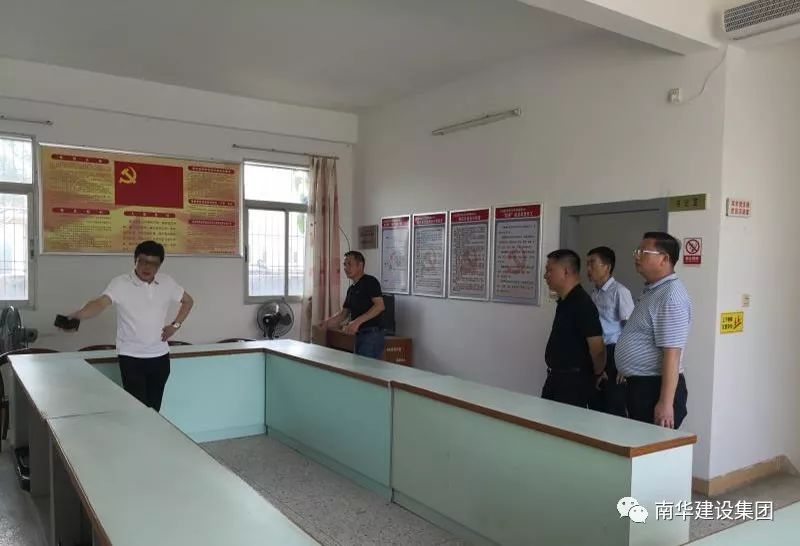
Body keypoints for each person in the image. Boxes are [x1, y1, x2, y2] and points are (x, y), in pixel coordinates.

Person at [60, 240, 194, 411]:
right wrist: (80, 314)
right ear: (135, 260)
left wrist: (175, 326)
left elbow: (188, 301)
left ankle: (150, 429)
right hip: (131, 358)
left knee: (154, 409)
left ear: (159, 265)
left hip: (160, 357)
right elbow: (101, 303)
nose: (147, 267)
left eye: (153, 263)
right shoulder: (120, 283)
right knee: (136, 410)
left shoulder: (167, 282)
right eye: (142, 261)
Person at [615, 232, 692, 429]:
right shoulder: (654, 290)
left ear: (664, 259)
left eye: (643, 252)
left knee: (652, 446)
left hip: (655, 389)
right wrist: (628, 368)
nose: (637, 256)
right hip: (641, 385)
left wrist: (666, 403)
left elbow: (672, 354)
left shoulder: (671, 296)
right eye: (637, 251)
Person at [542, 249, 606, 408]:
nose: (545, 276)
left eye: (550, 270)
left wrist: (597, 373)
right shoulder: (565, 301)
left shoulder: (582, 303)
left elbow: (598, 349)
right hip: (555, 378)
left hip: (573, 384)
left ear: (565, 272)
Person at [586, 246, 635, 417]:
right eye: (587, 264)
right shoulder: (594, 293)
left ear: (607, 267)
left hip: (614, 354)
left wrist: (625, 365)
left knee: (613, 406)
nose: (588, 269)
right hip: (596, 352)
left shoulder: (620, 292)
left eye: (592, 264)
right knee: (595, 403)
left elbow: (631, 329)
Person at [320, 251, 386, 359]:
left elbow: (380, 306)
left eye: (349, 264)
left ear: (360, 265)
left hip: (372, 334)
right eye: (345, 265)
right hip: (359, 335)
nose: (346, 268)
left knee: (364, 368)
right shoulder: (351, 289)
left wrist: (356, 322)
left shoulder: (370, 282)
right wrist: (326, 323)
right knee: (357, 366)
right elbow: (343, 314)